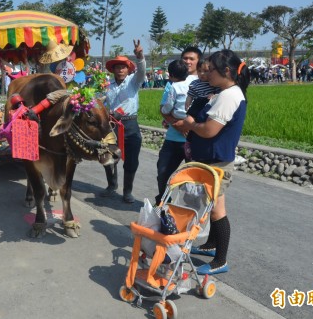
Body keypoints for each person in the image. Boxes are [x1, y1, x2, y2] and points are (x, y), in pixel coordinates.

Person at [175, 49, 250, 275]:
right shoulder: (224, 92)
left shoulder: (229, 95)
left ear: (226, 71)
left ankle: (220, 261)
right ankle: (211, 245)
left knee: (217, 211)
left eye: (211, 70)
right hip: (211, 160)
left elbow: (209, 130)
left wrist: (189, 124)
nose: (207, 74)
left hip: (215, 162)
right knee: (216, 207)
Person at [100, 39, 145, 203]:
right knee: (107, 155)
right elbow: (102, 102)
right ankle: (112, 185)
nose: (120, 70)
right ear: (113, 70)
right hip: (111, 124)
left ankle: (128, 191)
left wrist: (140, 57)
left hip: (130, 124)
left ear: (128, 69)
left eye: (123, 67)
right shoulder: (107, 85)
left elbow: (141, 71)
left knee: (132, 160)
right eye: (117, 67)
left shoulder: (134, 81)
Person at [154, 47, 200, 205]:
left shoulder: (203, 82)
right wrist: (178, 124)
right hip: (173, 139)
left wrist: (189, 125)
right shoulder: (172, 84)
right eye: (185, 58)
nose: (188, 61)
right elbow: (163, 109)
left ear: (198, 61)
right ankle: (162, 202)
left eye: (191, 58)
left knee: (193, 179)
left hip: (194, 140)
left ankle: (190, 210)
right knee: (163, 172)